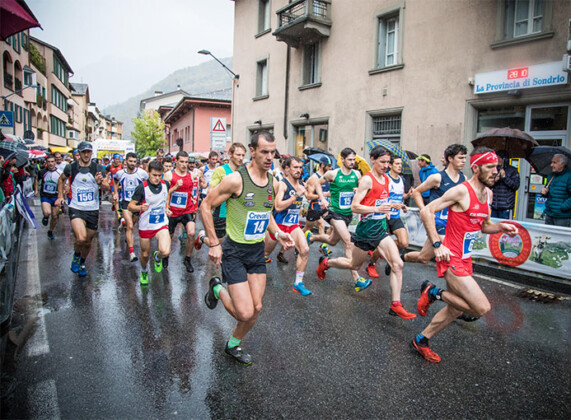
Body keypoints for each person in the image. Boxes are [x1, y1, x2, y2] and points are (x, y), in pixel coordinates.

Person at [410, 147, 519, 363]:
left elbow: (485, 225)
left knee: (455, 310)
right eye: (490, 167)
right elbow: (426, 211)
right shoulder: (461, 191)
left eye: (496, 167)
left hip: (466, 258)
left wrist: (501, 227)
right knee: (481, 308)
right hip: (451, 258)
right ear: (476, 168)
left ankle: (421, 340)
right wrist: (437, 244)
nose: (495, 171)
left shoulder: (487, 193)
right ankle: (433, 292)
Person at [201, 131, 294, 365]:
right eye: (264, 152)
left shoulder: (273, 183)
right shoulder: (236, 180)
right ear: (252, 151)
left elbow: (266, 214)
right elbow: (205, 206)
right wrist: (214, 243)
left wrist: (278, 233)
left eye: (273, 152)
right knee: (245, 312)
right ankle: (217, 289)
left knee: (257, 307)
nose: (269, 157)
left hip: (256, 252)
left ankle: (233, 345)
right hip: (234, 251)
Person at [316, 147, 416, 320]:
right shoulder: (367, 180)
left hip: (380, 228)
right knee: (354, 265)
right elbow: (355, 206)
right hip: (366, 230)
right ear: (373, 160)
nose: (386, 166)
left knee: (397, 264)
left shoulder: (386, 179)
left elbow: (381, 200)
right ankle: (327, 263)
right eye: (382, 162)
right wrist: (377, 209)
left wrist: (394, 206)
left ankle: (396, 305)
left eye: (388, 163)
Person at [405, 144, 467, 265]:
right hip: (437, 222)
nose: (464, 161)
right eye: (460, 158)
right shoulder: (437, 178)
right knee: (451, 254)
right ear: (450, 158)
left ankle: (401, 258)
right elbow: (417, 192)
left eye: (465, 158)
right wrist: (424, 211)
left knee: (423, 257)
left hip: (452, 223)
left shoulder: (463, 179)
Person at [55, 141, 109, 277]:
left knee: (88, 241)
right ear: (78, 153)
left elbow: (107, 188)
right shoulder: (71, 168)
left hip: (92, 209)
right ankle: (76, 255)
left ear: (91, 153)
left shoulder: (98, 168)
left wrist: (100, 183)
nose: (86, 155)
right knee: (81, 238)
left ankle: (83, 262)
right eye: (83, 152)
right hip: (76, 208)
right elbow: (61, 180)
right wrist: (60, 196)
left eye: (88, 152)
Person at [307, 147, 360, 281]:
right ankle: (357, 279)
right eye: (349, 159)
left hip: (348, 214)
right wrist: (322, 198)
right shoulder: (333, 174)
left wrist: (358, 190)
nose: (352, 162)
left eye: (353, 160)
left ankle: (311, 237)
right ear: (342, 159)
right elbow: (317, 183)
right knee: (348, 242)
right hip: (335, 213)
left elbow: (363, 190)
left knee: (332, 241)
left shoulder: (357, 174)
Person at [265, 156, 312, 295]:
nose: (298, 170)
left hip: (293, 225)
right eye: (295, 167)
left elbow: (307, 198)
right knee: (264, 254)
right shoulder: (283, 184)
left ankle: (298, 283)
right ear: (288, 169)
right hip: (277, 226)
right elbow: (278, 206)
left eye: (300, 167)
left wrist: (322, 197)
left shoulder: (302, 184)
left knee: (304, 250)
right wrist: (295, 196)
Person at [367, 154, 413, 278]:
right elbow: (379, 197)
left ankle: (387, 253)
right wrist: (392, 205)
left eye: (401, 164)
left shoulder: (402, 179)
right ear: (390, 165)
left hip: (395, 217)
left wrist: (406, 198)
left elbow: (400, 196)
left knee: (404, 243)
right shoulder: (385, 178)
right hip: (384, 216)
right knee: (382, 247)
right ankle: (371, 263)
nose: (400, 166)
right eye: (397, 164)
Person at [128, 159, 171, 285]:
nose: (157, 178)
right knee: (145, 254)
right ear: (148, 173)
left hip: (161, 223)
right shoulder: (142, 188)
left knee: (165, 251)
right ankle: (144, 270)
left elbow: (166, 196)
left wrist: (166, 208)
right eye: (154, 175)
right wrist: (140, 207)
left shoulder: (166, 184)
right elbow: (130, 206)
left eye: (159, 175)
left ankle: (157, 257)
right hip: (146, 225)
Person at [196, 142, 246, 248]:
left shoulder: (243, 172)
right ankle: (202, 237)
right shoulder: (220, 170)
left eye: (243, 155)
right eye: (238, 155)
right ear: (230, 154)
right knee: (217, 243)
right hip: (221, 213)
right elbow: (210, 192)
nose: (241, 158)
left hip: (236, 214)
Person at [163, 151, 203, 273]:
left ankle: (188, 259)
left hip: (187, 210)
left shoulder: (192, 175)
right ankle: (165, 256)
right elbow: (164, 194)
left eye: (186, 162)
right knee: (169, 236)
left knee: (191, 233)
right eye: (181, 162)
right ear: (176, 162)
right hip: (173, 211)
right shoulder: (169, 175)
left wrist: (194, 206)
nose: (184, 164)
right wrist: (174, 188)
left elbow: (195, 192)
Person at [113, 152, 149, 262]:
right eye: (130, 161)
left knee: (132, 224)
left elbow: (148, 183)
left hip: (137, 203)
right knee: (130, 226)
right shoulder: (120, 173)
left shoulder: (142, 173)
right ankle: (132, 252)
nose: (133, 163)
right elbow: (115, 180)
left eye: (134, 161)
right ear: (126, 161)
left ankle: (123, 224)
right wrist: (115, 193)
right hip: (126, 202)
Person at [304, 155, 332, 240]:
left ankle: (324, 244)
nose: (330, 168)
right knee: (308, 228)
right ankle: (297, 238)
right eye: (328, 166)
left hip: (324, 207)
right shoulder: (314, 178)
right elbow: (309, 196)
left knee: (332, 224)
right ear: (322, 165)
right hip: (314, 208)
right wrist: (324, 195)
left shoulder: (328, 177)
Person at [541, 153, 571, 227]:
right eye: (551, 162)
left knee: (560, 235)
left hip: (562, 216)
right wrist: (544, 193)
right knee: (548, 234)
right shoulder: (551, 176)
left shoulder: (569, 177)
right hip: (549, 213)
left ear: (562, 164)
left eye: (554, 162)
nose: (551, 165)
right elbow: (550, 192)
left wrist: (563, 206)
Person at [37, 154, 62, 239]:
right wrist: (36, 190)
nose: (50, 163)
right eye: (48, 162)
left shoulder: (60, 173)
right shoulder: (42, 172)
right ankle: (46, 217)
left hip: (56, 196)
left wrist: (64, 191)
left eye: (52, 162)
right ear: (46, 163)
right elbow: (37, 180)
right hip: (45, 196)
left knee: (54, 216)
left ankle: (50, 231)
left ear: (55, 162)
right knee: (47, 212)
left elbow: (64, 182)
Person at [491, 150, 520, 219]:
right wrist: (495, 180)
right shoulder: (494, 170)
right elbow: (488, 185)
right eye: (497, 157)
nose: (498, 159)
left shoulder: (513, 170)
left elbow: (515, 186)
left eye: (500, 158)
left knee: (504, 225)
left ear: (505, 159)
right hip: (494, 205)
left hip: (506, 206)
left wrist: (504, 177)